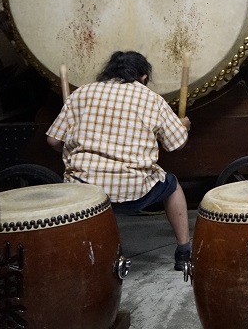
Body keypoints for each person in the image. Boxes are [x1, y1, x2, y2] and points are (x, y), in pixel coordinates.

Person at [47, 51, 193, 271]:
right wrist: (183, 127)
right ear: (143, 77)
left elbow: (52, 140)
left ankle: (83, 258)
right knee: (172, 186)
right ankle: (184, 253)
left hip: (85, 192)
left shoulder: (82, 93)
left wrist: (72, 148)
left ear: (108, 72)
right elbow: (176, 144)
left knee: (83, 190)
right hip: (134, 189)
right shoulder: (150, 98)